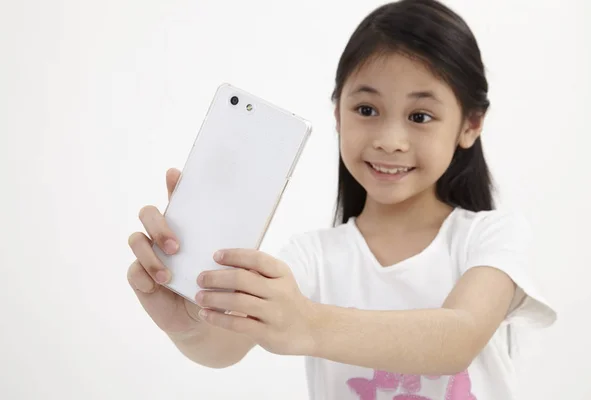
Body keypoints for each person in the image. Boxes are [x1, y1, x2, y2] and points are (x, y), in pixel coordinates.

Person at [126, 0, 556, 398]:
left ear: (471, 125)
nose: (390, 141)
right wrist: (187, 325)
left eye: (420, 116)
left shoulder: (492, 237)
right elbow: (224, 349)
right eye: (366, 110)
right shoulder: (312, 257)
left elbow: (459, 337)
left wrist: (307, 323)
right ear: (337, 113)